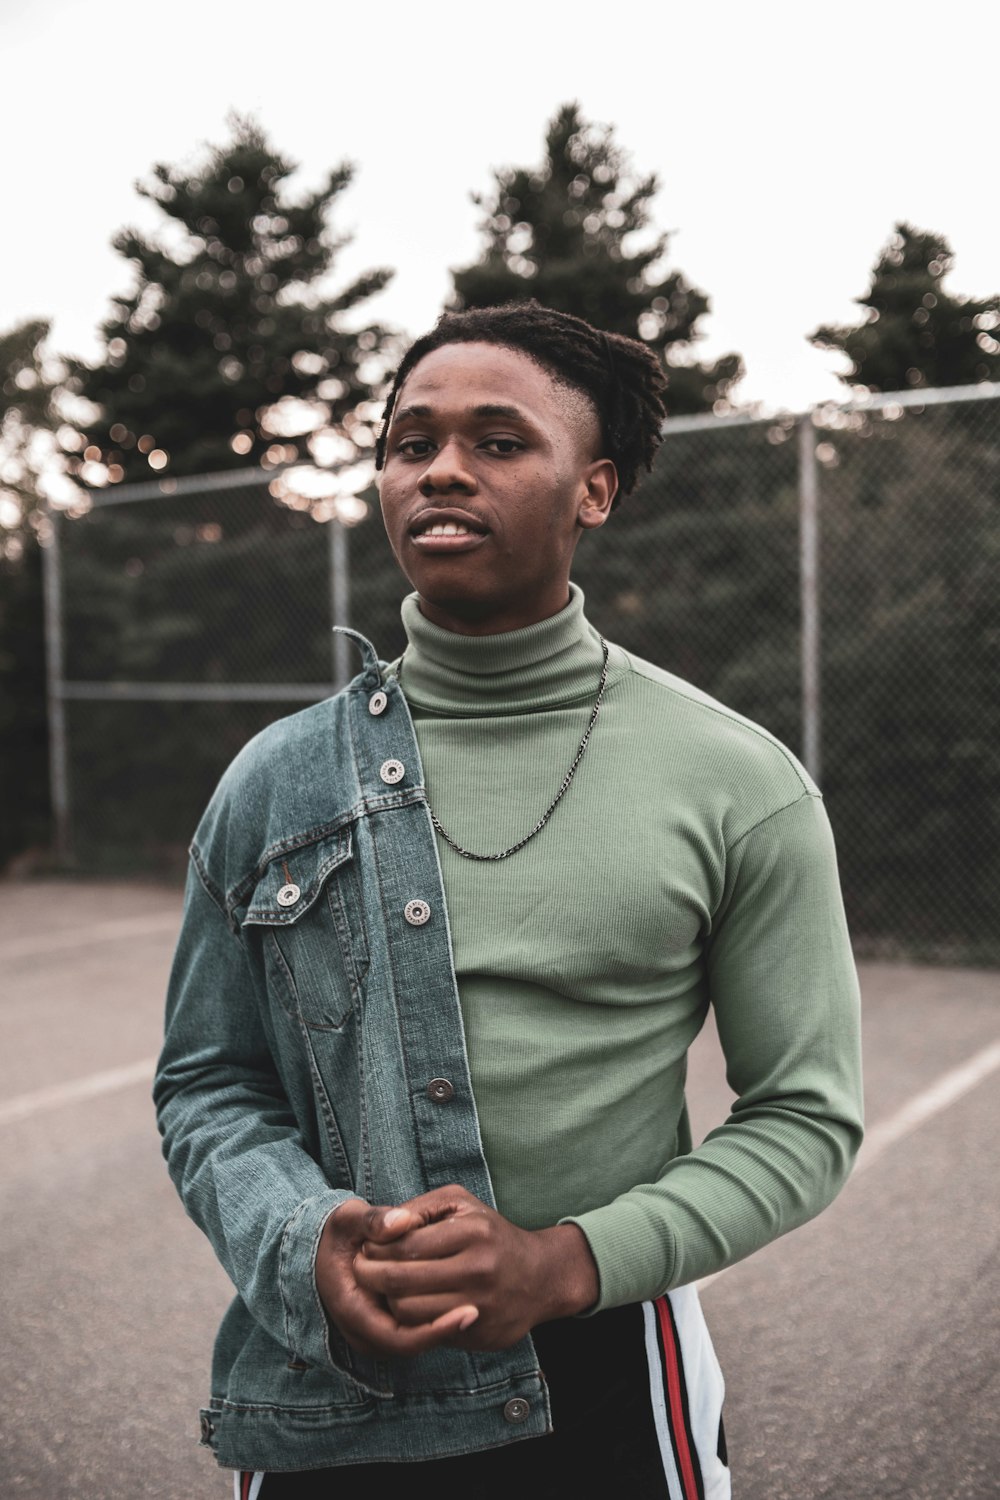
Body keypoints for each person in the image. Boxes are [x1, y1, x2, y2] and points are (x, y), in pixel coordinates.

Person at [155, 302, 863, 1500]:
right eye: (407, 440)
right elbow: (209, 1080)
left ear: (592, 491)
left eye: (497, 441)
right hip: (333, 1378)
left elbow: (805, 1115)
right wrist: (301, 1242)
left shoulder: (735, 781)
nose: (439, 468)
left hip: (605, 1370)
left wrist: (564, 1262)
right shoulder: (275, 779)